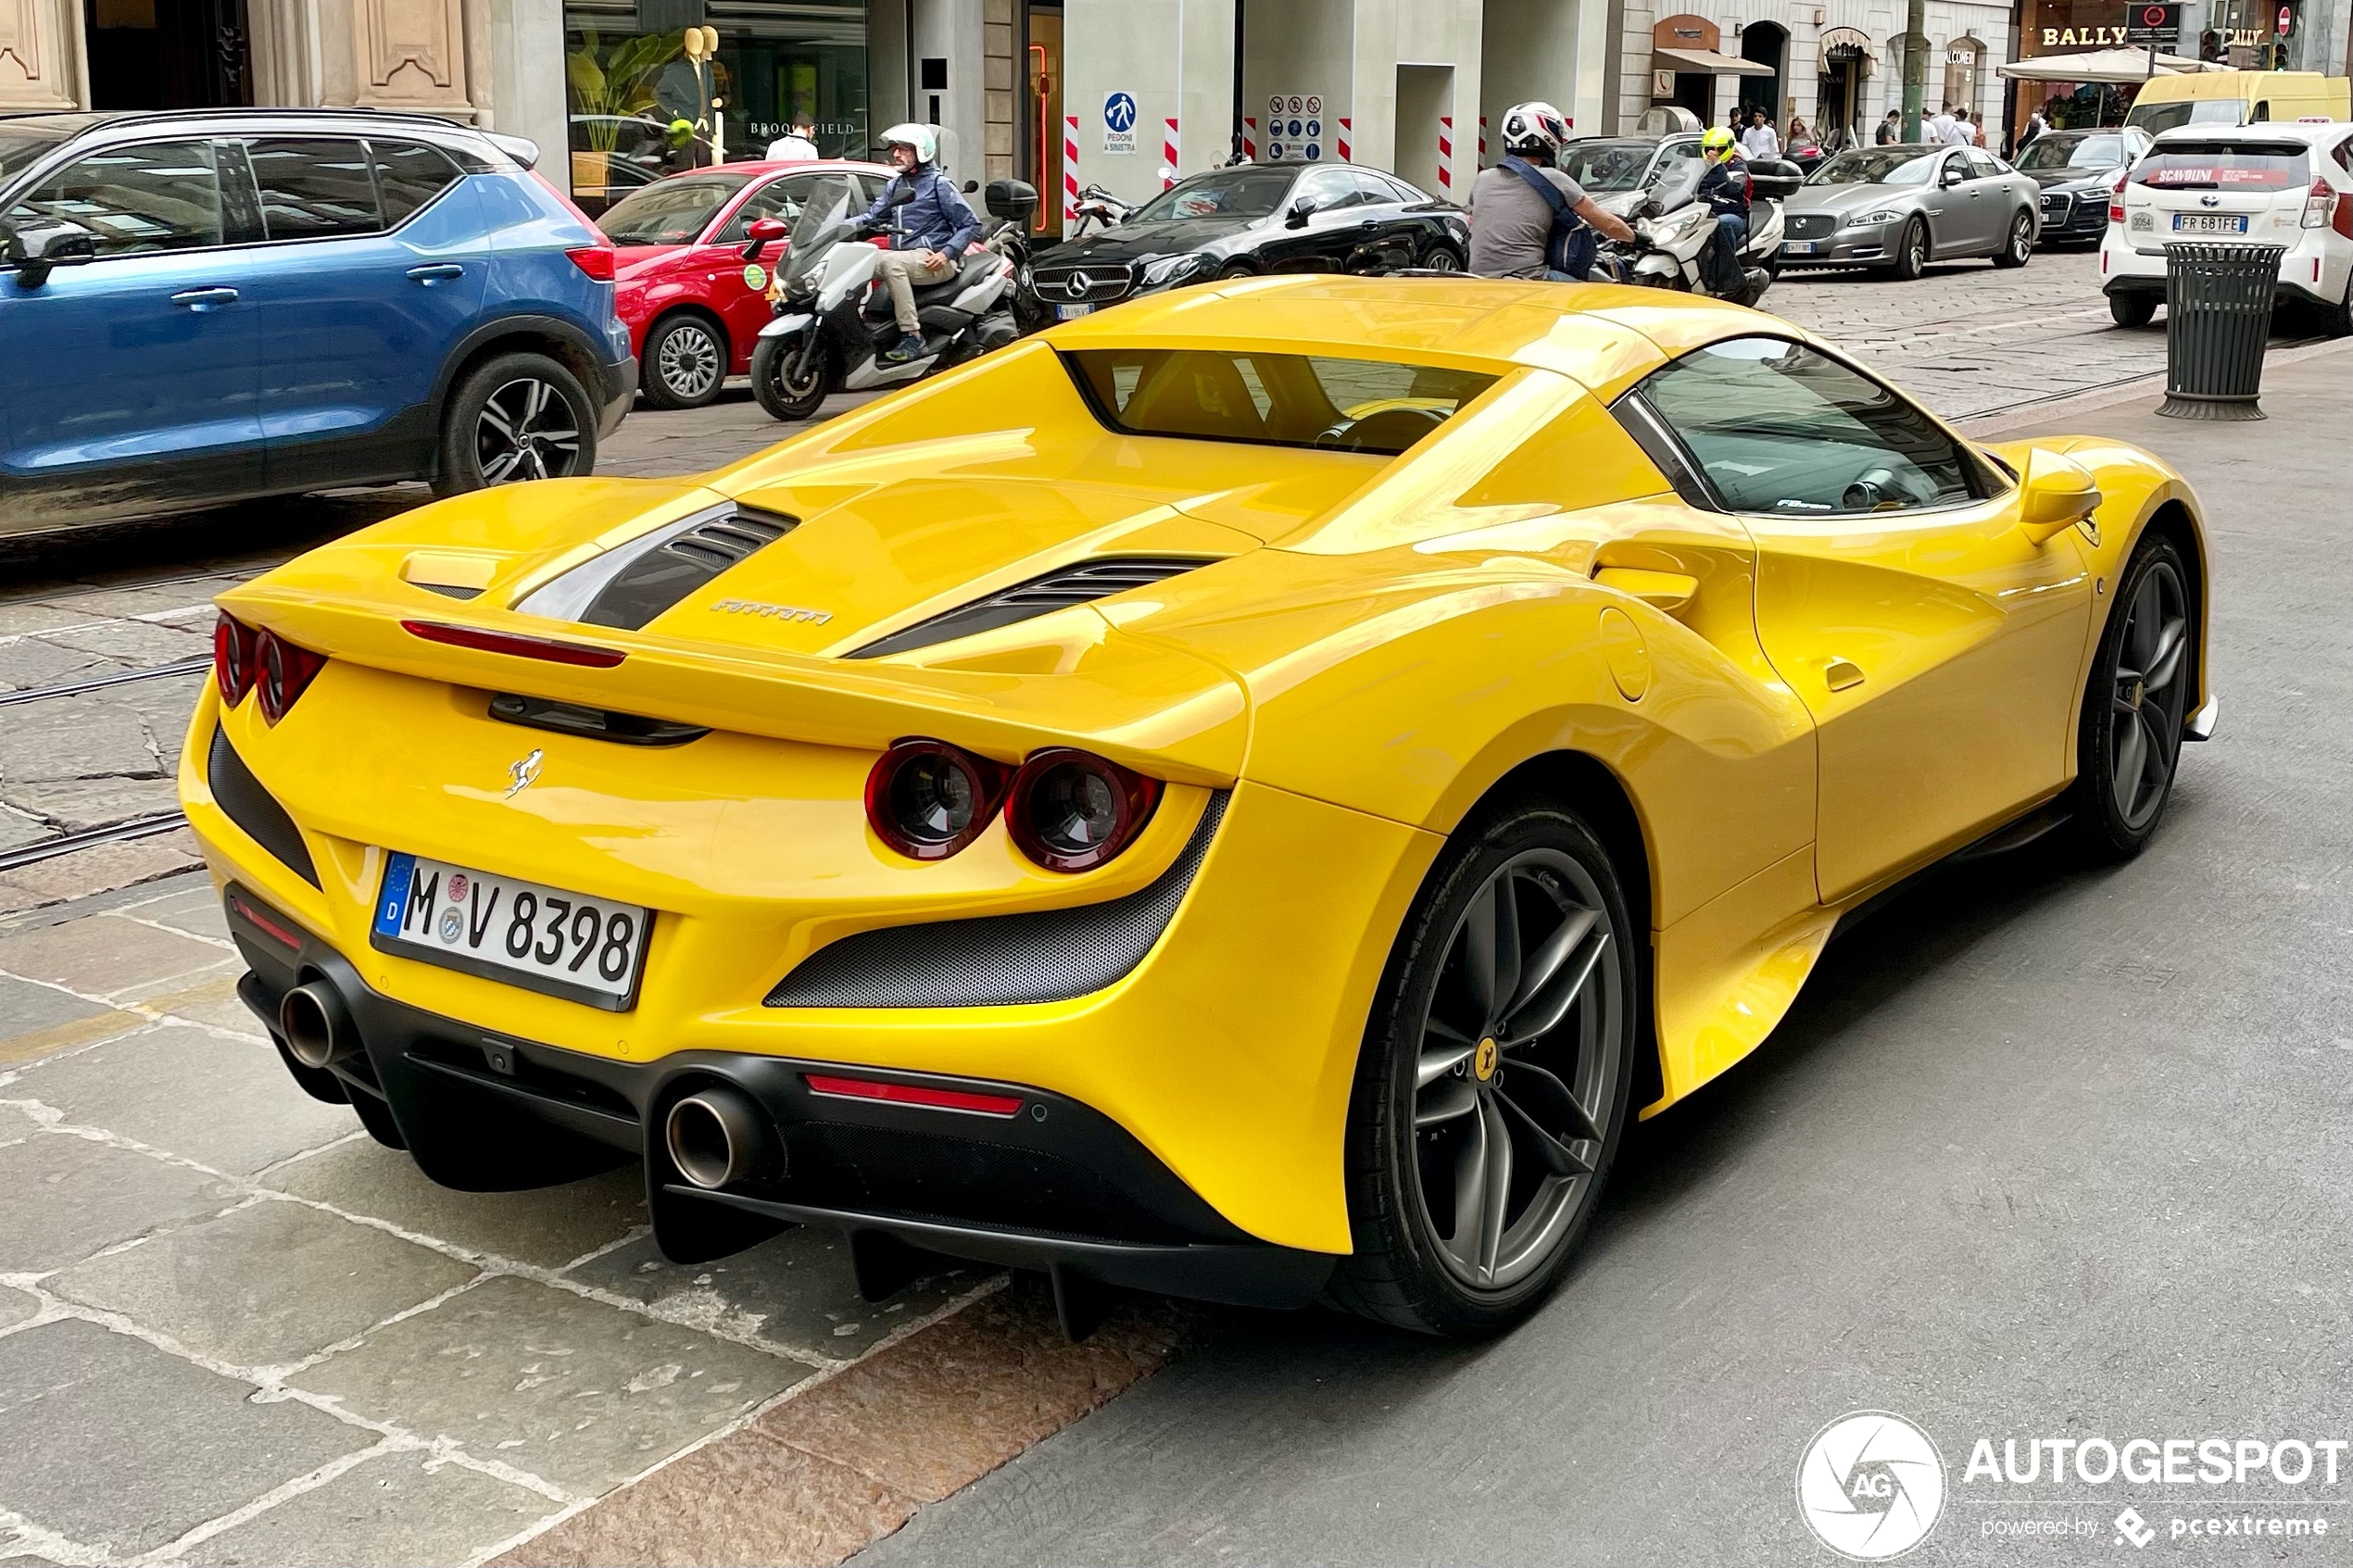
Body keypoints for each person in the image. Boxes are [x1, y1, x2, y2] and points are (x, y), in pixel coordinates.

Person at [1466, 99, 1635, 281]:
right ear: (1547, 135)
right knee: (1601, 293)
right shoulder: (1554, 178)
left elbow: (1472, 218)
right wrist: (1636, 238)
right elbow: (1608, 225)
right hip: (1530, 278)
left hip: (1480, 279)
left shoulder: (1483, 178)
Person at [859, 123, 980, 365]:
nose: (895, 154)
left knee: (892, 262)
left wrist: (947, 253)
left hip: (934, 258)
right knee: (855, 263)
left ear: (921, 151)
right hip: (905, 257)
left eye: (903, 148)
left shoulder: (939, 184)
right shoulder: (895, 185)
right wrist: (839, 228)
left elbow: (971, 224)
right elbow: (872, 216)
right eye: (894, 148)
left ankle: (913, 337)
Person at [1695, 125, 1752, 296]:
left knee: (1723, 223)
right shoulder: (1700, 165)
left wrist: (1719, 165)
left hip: (1733, 214)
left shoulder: (1737, 164)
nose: (1714, 153)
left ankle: (1727, 278)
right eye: (1710, 149)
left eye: (1719, 149)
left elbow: (1734, 187)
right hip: (1704, 212)